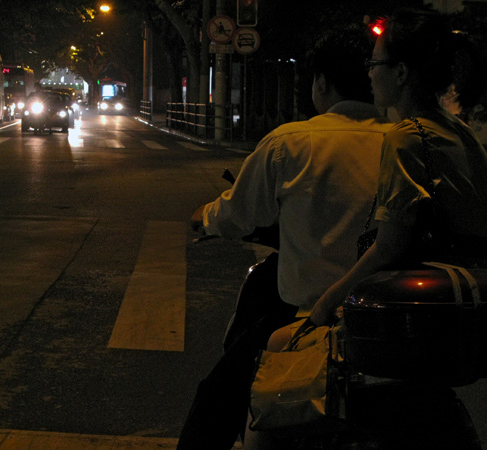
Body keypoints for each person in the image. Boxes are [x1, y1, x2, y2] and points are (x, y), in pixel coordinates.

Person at [178, 23, 392, 450]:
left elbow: (238, 213)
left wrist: (204, 218)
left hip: (310, 315)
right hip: (392, 318)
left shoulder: (291, 142)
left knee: (217, 397)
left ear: (321, 82)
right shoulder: (406, 142)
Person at [310, 8, 487, 327]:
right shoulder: (459, 131)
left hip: (426, 310)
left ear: (401, 72)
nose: (369, 74)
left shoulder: (407, 137)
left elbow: (389, 247)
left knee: (279, 344)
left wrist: (327, 300)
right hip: (466, 299)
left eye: (374, 64)